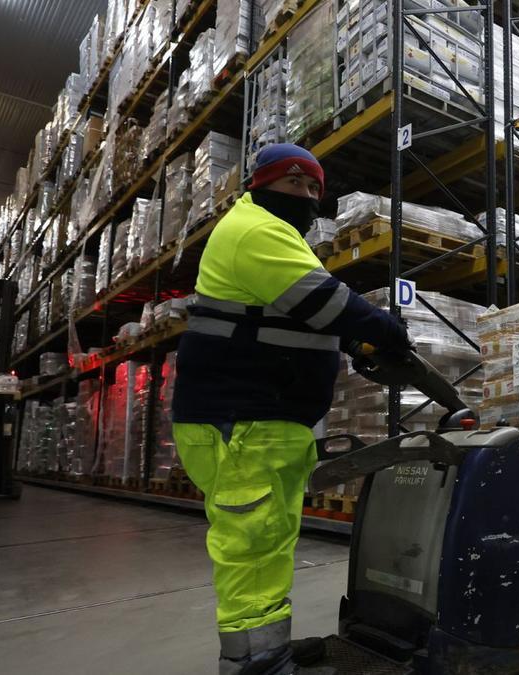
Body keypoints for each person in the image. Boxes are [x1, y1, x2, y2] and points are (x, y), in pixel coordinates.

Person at [171, 143, 410, 674]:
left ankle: (268, 651)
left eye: (312, 189)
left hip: (263, 421)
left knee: (268, 545)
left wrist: (350, 344)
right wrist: (384, 331)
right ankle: (254, 665)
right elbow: (323, 302)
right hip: (241, 420)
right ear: (261, 184)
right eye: (292, 184)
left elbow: (298, 315)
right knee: (251, 550)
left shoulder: (274, 234)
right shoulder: (255, 230)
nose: (304, 196)